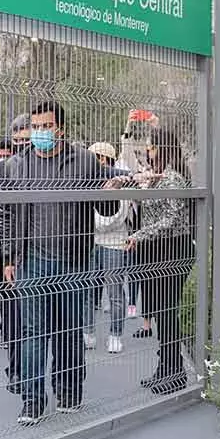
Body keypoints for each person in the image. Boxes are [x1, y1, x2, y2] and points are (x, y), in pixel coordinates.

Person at [0, 101, 119, 424]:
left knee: (69, 331)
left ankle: (70, 391)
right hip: (32, 260)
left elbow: (106, 208)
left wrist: (110, 191)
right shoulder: (18, 166)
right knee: (33, 332)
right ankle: (32, 400)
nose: (40, 132)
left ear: (60, 128)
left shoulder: (85, 162)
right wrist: (8, 255)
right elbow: (5, 213)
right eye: (36, 127)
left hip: (74, 262)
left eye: (46, 126)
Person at [123, 127, 195, 395]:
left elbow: (173, 218)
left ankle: (174, 373)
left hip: (172, 251)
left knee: (167, 314)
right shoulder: (158, 177)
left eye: (151, 147)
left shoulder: (173, 179)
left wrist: (140, 234)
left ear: (162, 148)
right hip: (156, 251)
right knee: (161, 313)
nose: (148, 152)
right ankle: (166, 369)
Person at [88, 142, 134, 354]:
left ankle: (115, 335)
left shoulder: (120, 184)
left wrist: (91, 222)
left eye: (95, 158)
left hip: (114, 244)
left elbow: (113, 220)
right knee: (88, 291)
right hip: (91, 244)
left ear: (104, 160)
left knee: (115, 293)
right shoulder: (88, 183)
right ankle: (87, 332)